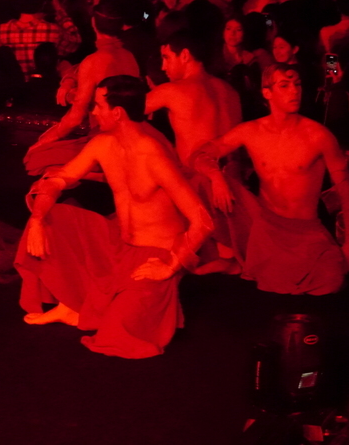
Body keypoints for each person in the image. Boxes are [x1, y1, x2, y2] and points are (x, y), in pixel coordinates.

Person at [15, 75, 214, 358]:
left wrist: (170, 265)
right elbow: (60, 179)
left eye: (97, 106)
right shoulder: (103, 144)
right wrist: (36, 219)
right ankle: (72, 305)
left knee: (117, 335)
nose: (93, 112)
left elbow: (202, 219)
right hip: (119, 244)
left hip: (155, 255)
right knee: (50, 216)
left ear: (117, 113)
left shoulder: (154, 155)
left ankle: (95, 307)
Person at [191, 63, 349, 294]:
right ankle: (229, 257)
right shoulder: (251, 131)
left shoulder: (319, 136)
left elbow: (346, 188)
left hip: (306, 231)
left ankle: (242, 264)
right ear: (267, 93)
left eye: (297, 85)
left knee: (331, 282)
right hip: (266, 226)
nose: (294, 91)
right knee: (202, 181)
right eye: (284, 86)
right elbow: (199, 156)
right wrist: (216, 176)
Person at [145, 31, 243, 270]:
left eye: (167, 58)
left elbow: (121, 113)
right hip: (236, 188)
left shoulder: (173, 91)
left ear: (185, 56)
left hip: (200, 188)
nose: (163, 66)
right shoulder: (229, 91)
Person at [25, 4, 141, 174]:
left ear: (93, 23)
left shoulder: (93, 61)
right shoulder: (130, 57)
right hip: (135, 136)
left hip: (108, 139)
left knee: (33, 159)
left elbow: (75, 118)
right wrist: (69, 81)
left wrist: (44, 140)